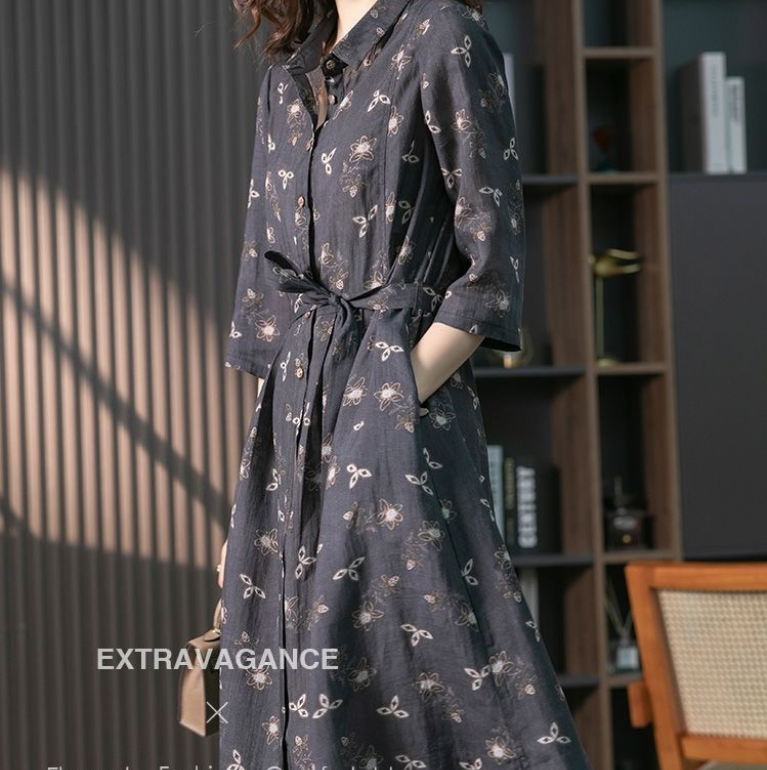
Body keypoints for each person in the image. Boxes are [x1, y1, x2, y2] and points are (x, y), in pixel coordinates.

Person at [218, 0, 595, 767]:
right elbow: (269, 301)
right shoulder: (286, 77)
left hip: (397, 403)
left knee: (430, 661)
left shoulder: (441, 34)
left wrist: (389, 406)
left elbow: (490, 268)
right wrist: (247, 504)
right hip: (293, 425)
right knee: (293, 672)